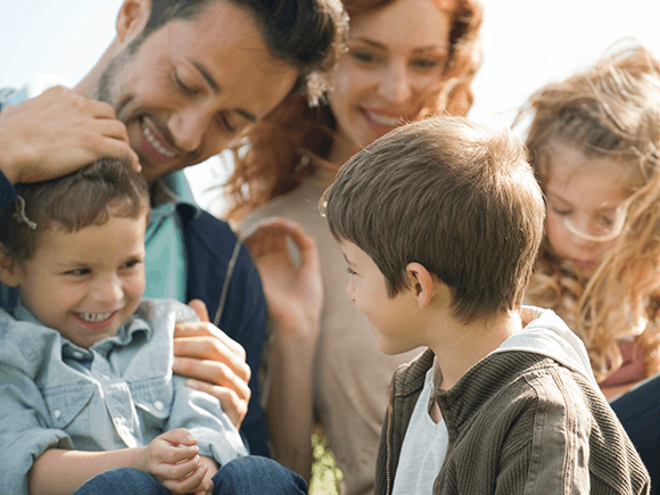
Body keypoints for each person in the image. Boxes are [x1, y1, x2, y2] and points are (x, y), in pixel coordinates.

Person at [0, 0, 347, 457]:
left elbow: (267, 470)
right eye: (185, 82)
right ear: (131, 15)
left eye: (229, 122)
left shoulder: (220, 266)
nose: (186, 135)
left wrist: (223, 430)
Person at [320, 115, 650, 494]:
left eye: (355, 271)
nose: (350, 290)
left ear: (417, 284)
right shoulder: (415, 386)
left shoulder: (540, 413)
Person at [229, 0, 483, 490]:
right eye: (366, 56)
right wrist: (293, 335)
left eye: (424, 61)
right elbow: (284, 470)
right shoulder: (273, 236)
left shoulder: (492, 195)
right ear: (321, 59)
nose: (397, 90)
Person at [0, 158, 309, 495]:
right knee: (123, 486)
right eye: (79, 272)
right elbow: (19, 467)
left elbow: (209, 426)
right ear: (9, 265)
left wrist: (193, 471)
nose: (111, 294)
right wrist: (140, 462)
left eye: (129, 264)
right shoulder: (11, 354)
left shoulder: (170, 328)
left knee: (257, 474)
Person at [518, 42, 660, 493]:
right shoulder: (525, 293)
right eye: (561, 210)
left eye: (607, 217)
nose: (582, 235)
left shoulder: (649, 294)